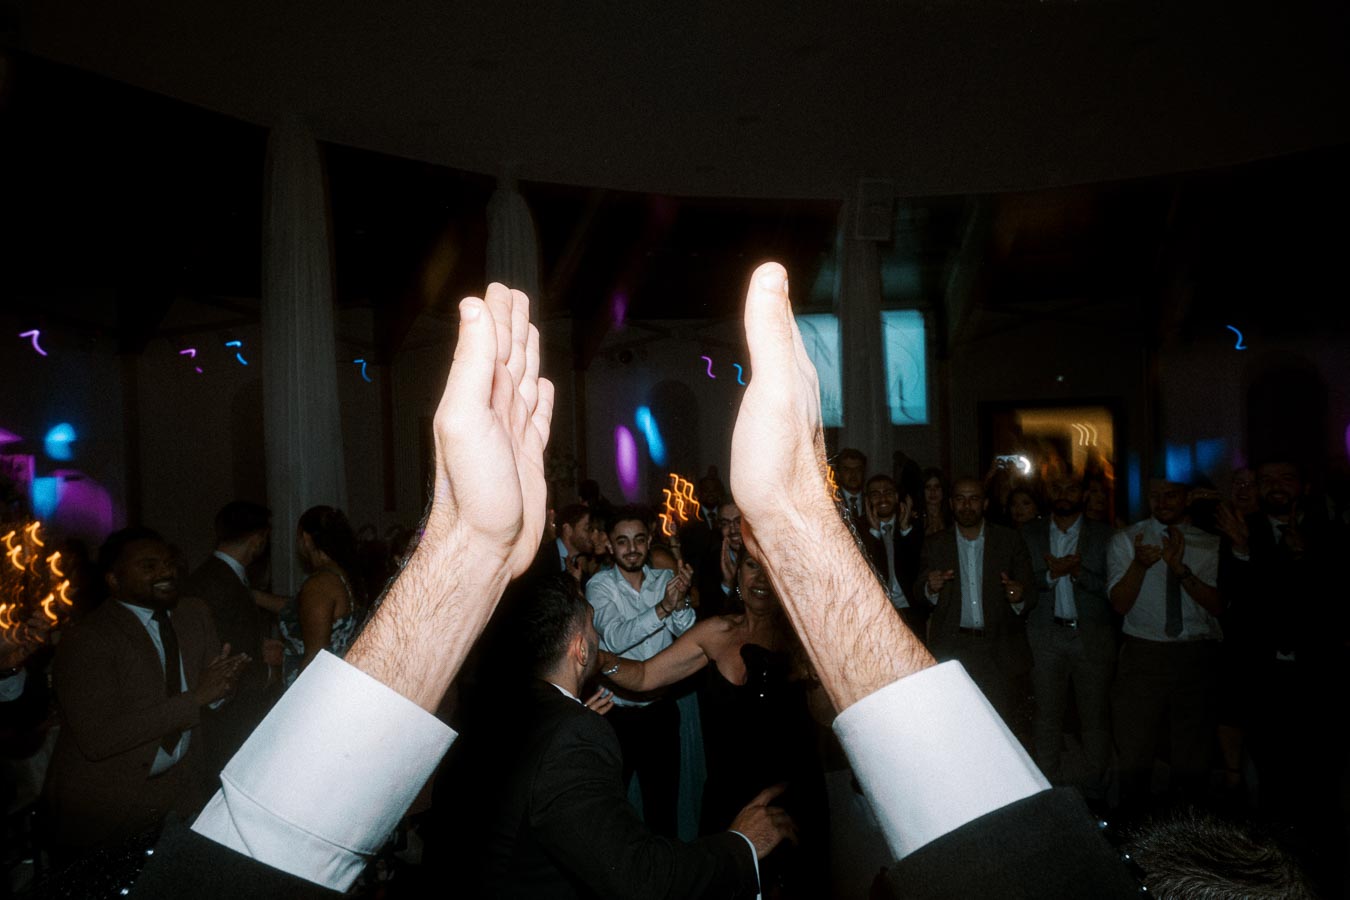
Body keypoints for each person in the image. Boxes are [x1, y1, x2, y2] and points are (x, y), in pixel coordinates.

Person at [131, 268, 1137, 899]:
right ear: (573, 639)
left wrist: (467, 552)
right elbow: (1028, 876)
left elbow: (244, 862)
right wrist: (794, 521)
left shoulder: (588, 690)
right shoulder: (563, 737)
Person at [432, 573, 783, 897]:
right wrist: (741, 845)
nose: (598, 637)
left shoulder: (499, 712)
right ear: (582, 650)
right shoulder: (572, 733)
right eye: (592, 627)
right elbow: (639, 876)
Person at [599, 551, 832, 896]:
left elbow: (825, 718)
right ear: (737, 573)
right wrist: (598, 659)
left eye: (771, 569)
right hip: (727, 800)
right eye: (753, 566)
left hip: (789, 801)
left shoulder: (803, 639)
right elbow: (645, 675)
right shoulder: (717, 632)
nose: (761, 579)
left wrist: (818, 675)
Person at [41, 528, 248, 861]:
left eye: (168, 563)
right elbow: (98, 738)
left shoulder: (193, 613)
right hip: (105, 807)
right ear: (114, 579)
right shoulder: (89, 638)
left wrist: (223, 688)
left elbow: (214, 686)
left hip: (180, 797)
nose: (166, 572)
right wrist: (194, 698)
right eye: (149, 566)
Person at [1108, 477, 1224, 813]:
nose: (1163, 502)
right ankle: (1134, 829)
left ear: (1187, 499)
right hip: (1145, 652)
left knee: (1193, 754)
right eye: (1155, 496)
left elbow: (1218, 606)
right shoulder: (1128, 540)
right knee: (1135, 749)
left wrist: (1179, 568)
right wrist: (1140, 566)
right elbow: (1119, 605)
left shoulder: (1209, 543)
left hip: (1194, 652)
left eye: (1171, 495)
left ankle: (1188, 829)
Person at [584, 506, 696, 836]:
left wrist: (681, 602)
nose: (631, 549)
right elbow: (615, 639)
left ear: (649, 542)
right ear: (609, 546)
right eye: (622, 541)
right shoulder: (600, 586)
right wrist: (663, 607)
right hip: (615, 713)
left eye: (638, 540)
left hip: (660, 712)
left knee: (663, 812)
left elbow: (687, 633)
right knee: (613, 811)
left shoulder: (664, 579)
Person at [1021, 472, 1116, 802]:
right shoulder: (1028, 533)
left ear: (1084, 494)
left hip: (1091, 637)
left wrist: (1079, 574)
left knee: (1095, 719)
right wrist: (1050, 574)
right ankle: (1046, 796)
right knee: (1046, 718)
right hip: (1045, 635)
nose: (1063, 493)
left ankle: (1095, 796)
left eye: (1071, 487)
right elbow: (1020, 585)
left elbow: (1116, 593)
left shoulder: (1106, 536)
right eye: (1057, 487)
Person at [916, 476, 1035, 733]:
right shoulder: (936, 544)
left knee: (1002, 730)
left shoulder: (1008, 540)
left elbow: (1029, 589)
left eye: (973, 498)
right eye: (960, 499)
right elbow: (919, 592)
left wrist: (1018, 595)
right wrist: (930, 588)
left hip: (999, 651)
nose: (966, 505)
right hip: (953, 650)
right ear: (951, 503)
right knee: (956, 729)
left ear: (985, 503)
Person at [185, 500, 282, 777]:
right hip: (228, 712)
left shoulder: (217, 575)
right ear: (258, 539)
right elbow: (223, 650)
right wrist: (271, 671)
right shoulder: (220, 582)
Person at [278, 506, 364, 686]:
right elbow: (301, 607)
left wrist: (300, 702)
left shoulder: (319, 584)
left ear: (307, 539)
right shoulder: (340, 574)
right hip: (339, 679)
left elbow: (315, 654)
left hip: (319, 685)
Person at [859, 473, 926, 639]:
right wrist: (874, 532)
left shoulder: (913, 526)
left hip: (909, 612)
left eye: (888, 492)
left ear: (897, 497)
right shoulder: (858, 529)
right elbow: (863, 569)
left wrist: (905, 529)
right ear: (867, 500)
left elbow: (917, 567)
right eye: (876, 494)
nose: (883, 498)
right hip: (876, 613)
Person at [918, 467, 951, 536]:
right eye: (928, 487)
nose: (932, 491)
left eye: (937, 487)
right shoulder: (916, 519)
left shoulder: (951, 518)